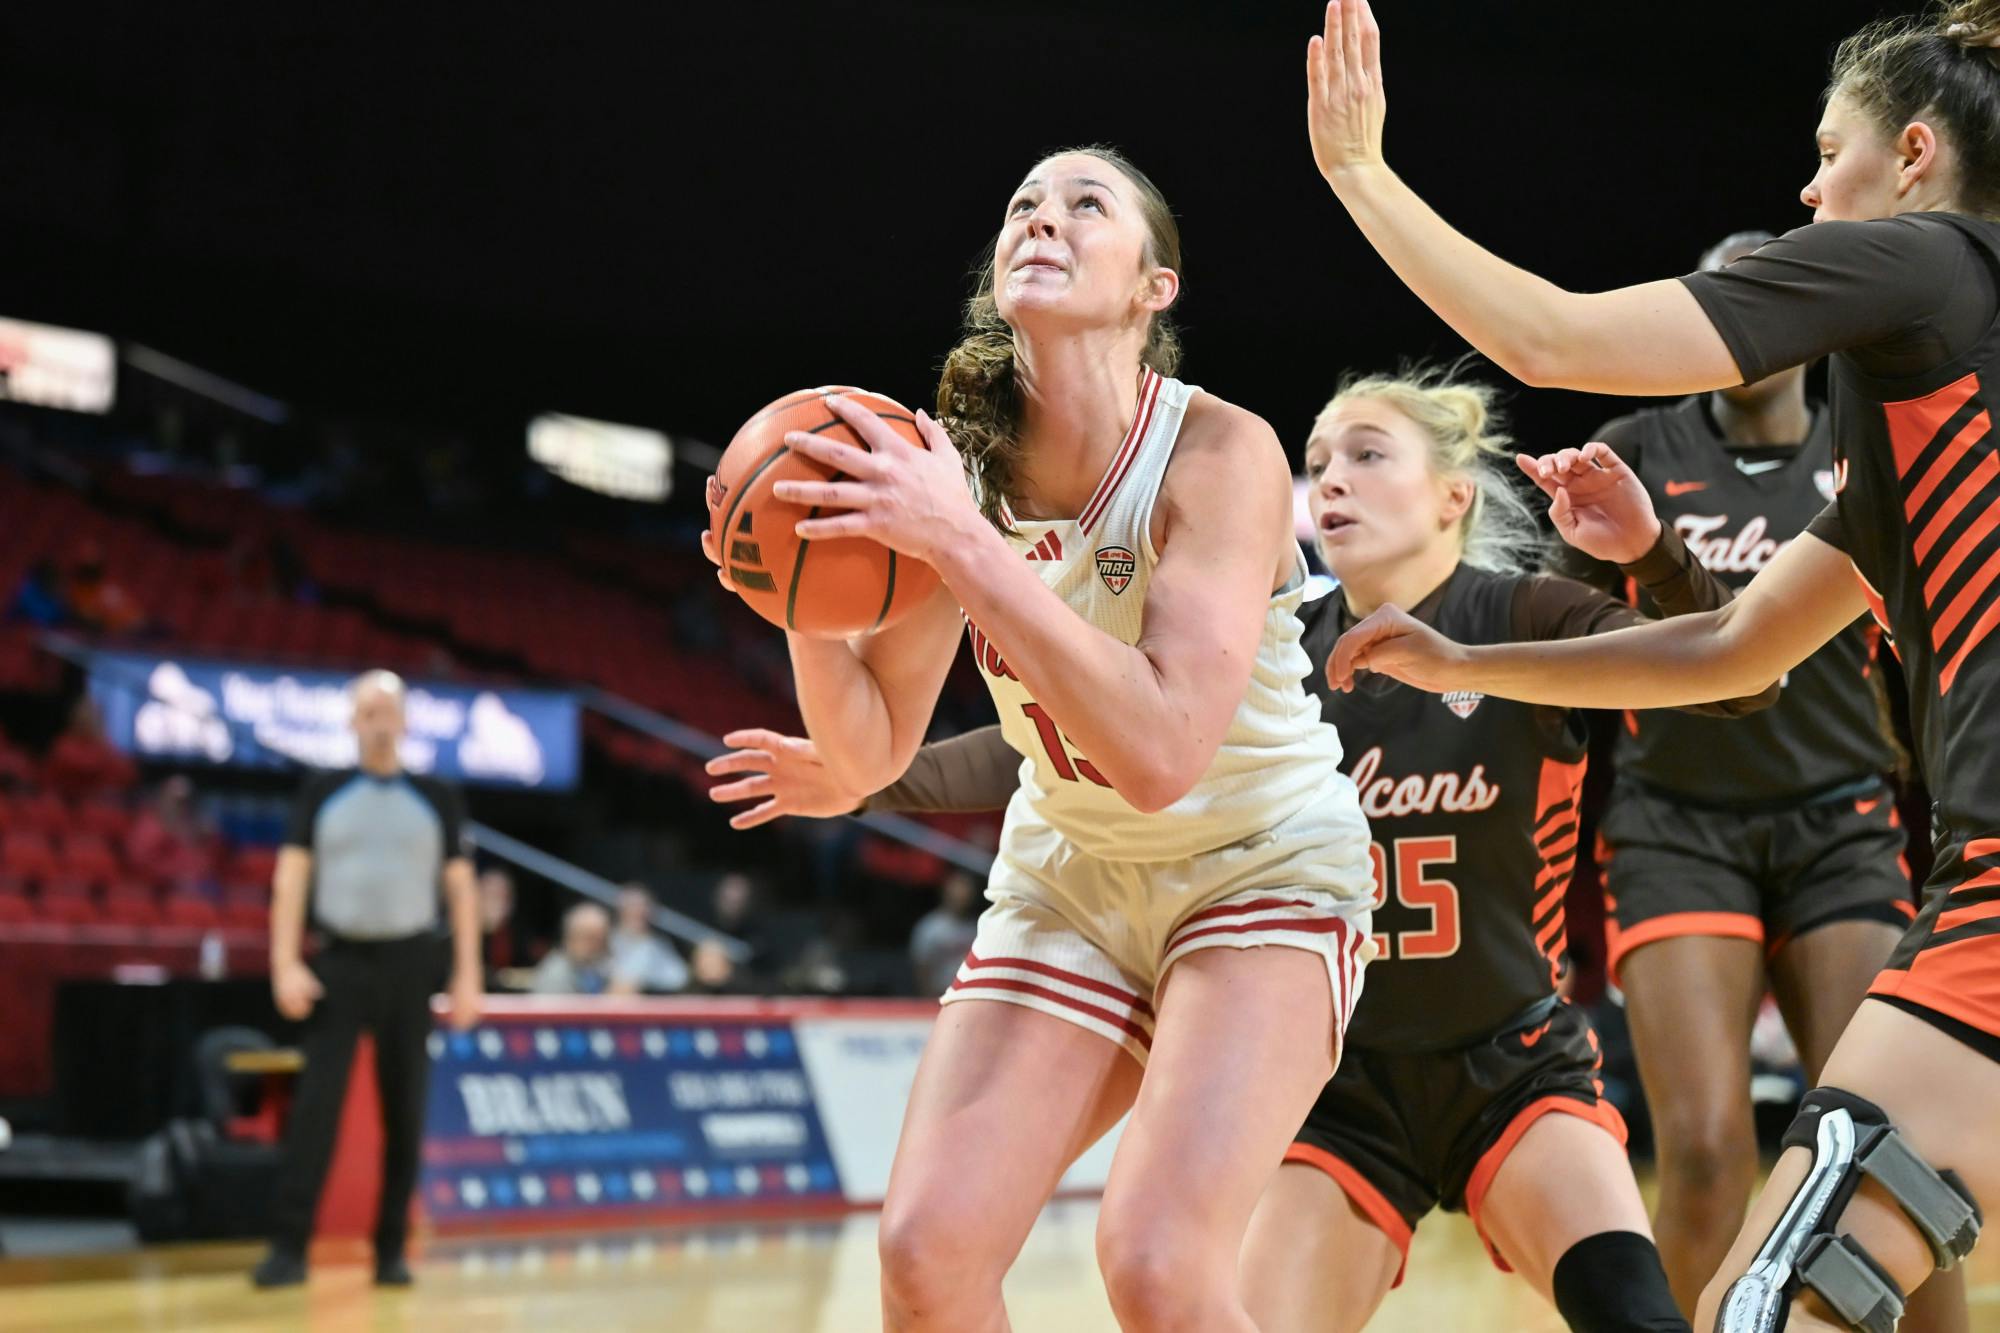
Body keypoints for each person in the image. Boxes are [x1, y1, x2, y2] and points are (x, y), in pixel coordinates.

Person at [712, 366, 1762, 1332]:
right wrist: (862, 774)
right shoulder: (1267, 642)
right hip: (1337, 1098)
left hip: (1509, 1068)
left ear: (1452, 496)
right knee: (1186, 1296)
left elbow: (1735, 678)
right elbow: (1051, 742)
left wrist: (1654, 563)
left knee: (1634, 1316)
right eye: (1316, 464)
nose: (1329, 483)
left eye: (1365, 454)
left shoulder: (1517, 617)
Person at [1311, 3, 1999, 1325]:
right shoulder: (1921, 396)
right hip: (1961, 881)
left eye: (1828, 149)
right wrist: (1469, 657)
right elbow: (1731, 645)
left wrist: (1361, 174)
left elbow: (1552, 341)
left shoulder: (1932, 262)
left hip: (1961, 879)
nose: (1806, 188)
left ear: (1911, 155)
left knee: (1771, 1299)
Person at [703, 146, 1376, 1330]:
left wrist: (959, 545)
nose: (1041, 219)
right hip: (1070, 879)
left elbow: (1163, 754)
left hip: (1259, 866)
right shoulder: (945, 466)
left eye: (1084, 205)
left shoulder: (1223, 454)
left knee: (1158, 1264)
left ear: (1150, 287)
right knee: (925, 1253)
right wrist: (802, 601)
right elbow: (867, 755)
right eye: (1022, 203)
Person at [1547, 229, 1922, 1315]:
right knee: (1706, 1153)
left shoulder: (1863, 448)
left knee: (1885, 1154)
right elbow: (1565, 637)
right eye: (1728, 300)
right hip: (1676, 828)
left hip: (1839, 822)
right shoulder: (1633, 445)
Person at [253, 670, 481, 1290]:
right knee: (315, 1112)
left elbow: (460, 892)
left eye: (389, 711)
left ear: (405, 722)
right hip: (340, 964)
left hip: (411, 965)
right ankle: (289, 1247)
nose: (380, 722)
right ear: (352, 722)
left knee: (405, 1112)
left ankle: (390, 1251)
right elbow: (291, 880)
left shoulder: (437, 796)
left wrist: (467, 975)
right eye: (368, 712)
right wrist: (285, 961)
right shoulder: (322, 791)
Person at [908, 871, 980, 998]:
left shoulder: (977, 928)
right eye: (957, 888)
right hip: (936, 995)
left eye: (965, 889)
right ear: (946, 890)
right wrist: (926, 997)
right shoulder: (930, 927)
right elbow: (921, 967)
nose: (961, 894)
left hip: (968, 996)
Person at [610, 883, 689, 992]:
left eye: (643, 905)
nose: (638, 911)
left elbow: (679, 977)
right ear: (620, 909)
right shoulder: (606, 940)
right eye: (632, 905)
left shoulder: (658, 943)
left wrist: (642, 983)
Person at [530, 901, 619, 995]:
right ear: (570, 937)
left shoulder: (601, 967)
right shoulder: (555, 974)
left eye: (602, 939)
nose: (598, 946)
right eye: (591, 938)